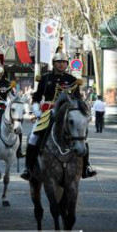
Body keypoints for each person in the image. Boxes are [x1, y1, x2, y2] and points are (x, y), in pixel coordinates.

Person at [21, 51, 96, 180]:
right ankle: (28, 168)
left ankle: (86, 167)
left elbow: (77, 98)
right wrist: (36, 110)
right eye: (58, 62)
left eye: (64, 62)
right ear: (54, 63)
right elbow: (37, 97)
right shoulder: (45, 78)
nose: (61, 64)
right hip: (48, 112)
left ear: (67, 64)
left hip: (68, 113)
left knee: (82, 136)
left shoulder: (72, 79)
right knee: (33, 136)